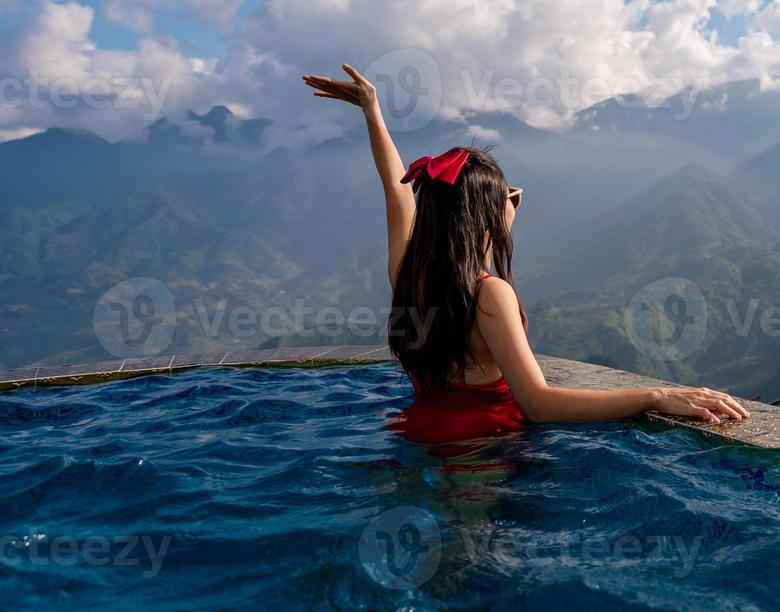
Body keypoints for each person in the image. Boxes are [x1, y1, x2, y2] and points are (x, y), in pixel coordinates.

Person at [303, 64, 748, 443]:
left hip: (417, 435)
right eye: (507, 197)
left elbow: (397, 191)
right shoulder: (489, 295)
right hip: (483, 453)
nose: (515, 203)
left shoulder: (407, 272)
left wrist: (372, 112)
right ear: (486, 217)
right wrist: (653, 395)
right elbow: (538, 403)